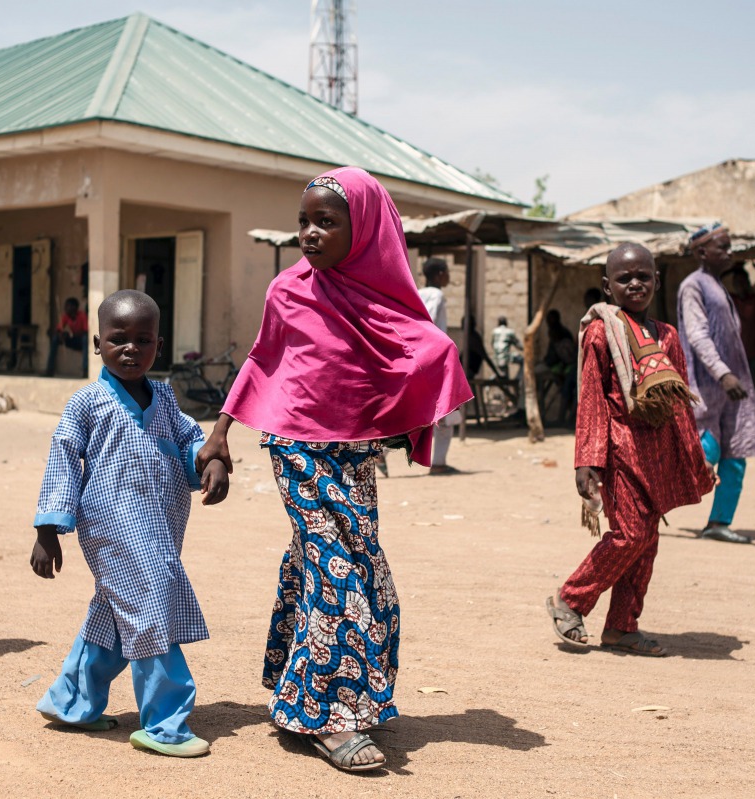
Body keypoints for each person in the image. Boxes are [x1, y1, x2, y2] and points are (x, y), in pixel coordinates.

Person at [195, 167, 472, 772]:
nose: (310, 234)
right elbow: (262, 360)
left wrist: (411, 404)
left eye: (326, 222)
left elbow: (420, 349)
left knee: (352, 572)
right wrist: (219, 433)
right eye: (304, 222)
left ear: (365, 228)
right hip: (295, 448)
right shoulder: (288, 290)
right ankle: (333, 720)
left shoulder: (383, 298)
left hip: (355, 456)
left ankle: (297, 697)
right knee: (340, 575)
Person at [29, 290, 229, 758]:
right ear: (98, 343)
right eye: (119, 339)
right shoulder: (86, 402)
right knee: (152, 611)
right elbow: (62, 460)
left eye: (143, 340)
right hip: (110, 527)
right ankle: (166, 724)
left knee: (116, 617)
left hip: (159, 524)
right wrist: (47, 530)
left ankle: (70, 702)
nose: (131, 349)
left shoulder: (163, 396)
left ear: (158, 345)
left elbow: (189, 444)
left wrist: (209, 465)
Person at [545, 243, 713, 656]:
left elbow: (678, 404)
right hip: (620, 450)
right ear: (607, 286)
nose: (635, 283)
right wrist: (587, 460)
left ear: (657, 280)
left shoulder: (668, 336)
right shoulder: (602, 331)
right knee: (630, 535)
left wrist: (694, 456)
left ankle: (622, 626)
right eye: (625, 278)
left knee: (647, 541)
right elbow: (592, 398)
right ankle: (572, 598)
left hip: (657, 453)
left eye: (644, 276)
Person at [676, 222, 755, 544]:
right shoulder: (693, 286)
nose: (730, 252)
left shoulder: (716, 286)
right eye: (722, 247)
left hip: (732, 391)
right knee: (701, 454)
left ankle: (718, 522)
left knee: (735, 456)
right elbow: (698, 336)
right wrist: (722, 373)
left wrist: (731, 378)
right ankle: (644, 508)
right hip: (708, 387)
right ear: (701, 252)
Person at [416, 257, 462, 475]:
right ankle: (439, 463)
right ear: (440, 274)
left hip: (420, 358)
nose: (449, 276)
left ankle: (382, 454)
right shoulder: (436, 295)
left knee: (422, 414)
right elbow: (430, 322)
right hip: (436, 360)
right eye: (447, 272)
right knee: (447, 411)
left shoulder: (417, 293)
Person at [727, 261, 755, 407]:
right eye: (736, 282)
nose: (739, 285)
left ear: (747, 283)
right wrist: (726, 270)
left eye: (742, 281)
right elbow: (715, 284)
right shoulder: (731, 301)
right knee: (738, 391)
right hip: (737, 355)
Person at [544, 309, 577, 425]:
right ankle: (563, 418)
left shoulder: (563, 336)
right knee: (565, 390)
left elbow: (570, 356)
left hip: (571, 367)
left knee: (569, 390)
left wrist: (562, 366)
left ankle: (566, 419)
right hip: (564, 367)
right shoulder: (554, 335)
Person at [45, 297, 90, 377]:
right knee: (55, 339)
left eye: (67, 306)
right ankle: (49, 370)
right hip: (72, 340)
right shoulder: (66, 316)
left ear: (74, 307)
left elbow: (85, 332)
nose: (65, 308)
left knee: (85, 339)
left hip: (81, 341)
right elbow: (59, 329)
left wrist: (70, 334)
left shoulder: (82, 316)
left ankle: (85, 370)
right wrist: (60, 334)